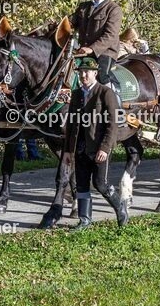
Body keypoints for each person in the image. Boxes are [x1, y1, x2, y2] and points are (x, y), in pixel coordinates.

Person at [37, 57, 127, 230]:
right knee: (82, 185)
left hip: (98, 148)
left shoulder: (105, 93)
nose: (83, 75)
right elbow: (71, 125)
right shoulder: (77, 94)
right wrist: (68, 151)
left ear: (95, 73)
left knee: (100, 184)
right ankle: (85, 220)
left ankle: (120, 207)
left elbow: (113, 123)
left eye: (87, 72)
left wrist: (105, 148)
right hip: (79, 148)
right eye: (81, 72)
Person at [71, 0, 124, 85]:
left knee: (100, 75)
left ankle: (113, 93)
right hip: (83, 51)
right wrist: (57, 26)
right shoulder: (83, 6)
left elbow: (110, 35)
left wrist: (92, 49)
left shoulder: (114, 9)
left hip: (105, 52)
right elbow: (70, 24)